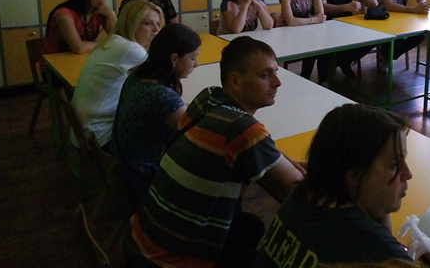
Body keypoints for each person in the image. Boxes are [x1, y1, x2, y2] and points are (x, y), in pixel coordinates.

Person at [123, 36, 305, 268]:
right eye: (265, 75)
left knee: (250, 227)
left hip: (142, 237)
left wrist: (282, 158)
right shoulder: (241, 129)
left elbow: (257, 142)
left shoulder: (208, 97)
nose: (278, 82)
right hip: (164, 261)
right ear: (235, 81)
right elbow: (298, 188)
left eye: (275, 72)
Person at [256, 103, 430, 268]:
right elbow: (378, 245)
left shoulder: (301, 197)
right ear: (354, 175)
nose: (408, 174)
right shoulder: (379, 252)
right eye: (394, 165)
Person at [109, 23, 201, 206]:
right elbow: (198, 135)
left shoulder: (138, 76)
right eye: (193, 58)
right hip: (141, 177)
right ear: (174, 58)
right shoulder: (161, 96)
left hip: (121, 164)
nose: (196, 64)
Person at [72, 0, 164, 149]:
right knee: (164, 123)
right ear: (131, 24)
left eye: (158, 24)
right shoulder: (131, 50)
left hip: (85, 130)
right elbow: (161, 84)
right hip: (100, 136)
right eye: (148, 23)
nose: (156, 30)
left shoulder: (114, 41)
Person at [374, 0, 429, 74]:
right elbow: (389, 5)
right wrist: (414, 9)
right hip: (383, 17)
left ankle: (388, 56)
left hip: (401, 16)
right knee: (398, 34)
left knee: (420, 35)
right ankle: (386, 55)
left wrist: (424, 6)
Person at [42, 0, 117, 57]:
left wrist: (112, 15)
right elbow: (79, 48)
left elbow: (121, 41)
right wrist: (105, 44)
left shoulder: (101, 12)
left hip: (82, 59)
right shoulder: (64, 14)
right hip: (54, 61)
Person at [280, 0, 327, 79]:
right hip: (290, 35)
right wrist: (314, 20)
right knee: (312, 46)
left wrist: (314, 19)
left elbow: (321, 14)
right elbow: (290, 21)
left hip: (309, 32)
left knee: (325, 46)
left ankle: (324, 80)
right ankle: (305, 77)